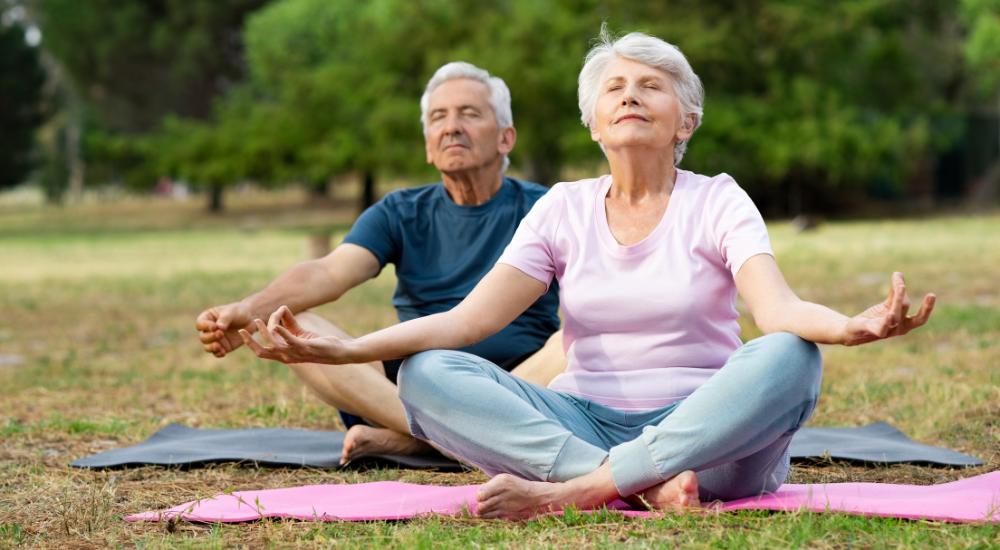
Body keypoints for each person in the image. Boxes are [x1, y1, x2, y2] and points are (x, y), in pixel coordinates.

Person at [240, 30, 936, 518]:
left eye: (651, 86)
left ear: (685, 118)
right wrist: (349, 348)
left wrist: (851, 326)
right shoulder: (563, 208)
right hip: (586, 426)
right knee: (428, 372)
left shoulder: (718, 198)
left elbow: (777, 311)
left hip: (711, 441)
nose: (631, 95)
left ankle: (581, 491)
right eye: (615, 87)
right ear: (594, 122)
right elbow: (467, 323)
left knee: (790, 357)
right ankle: (627, 483)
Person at [195, 61, 564, 464]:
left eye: (469, 114)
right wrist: (249, 310)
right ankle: (454, 438)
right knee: (292, 324)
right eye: (438, 117)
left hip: (520, 380)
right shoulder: (399, 211)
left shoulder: (548, 207)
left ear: (506, 138)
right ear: (428, 145)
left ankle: (418, 441)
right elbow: (330, 272)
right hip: (413, 385)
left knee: (573, 342)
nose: (451, 127)